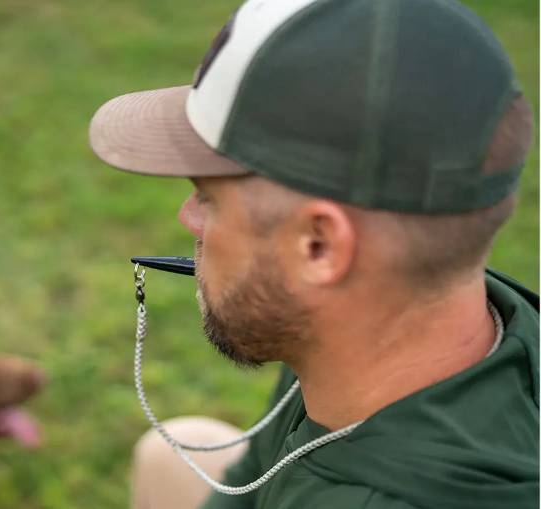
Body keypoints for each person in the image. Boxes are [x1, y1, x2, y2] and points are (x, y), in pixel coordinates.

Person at [88, 0, 540, 508]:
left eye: (209, 198)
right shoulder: (367, 329)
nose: (187, 217)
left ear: (319, 247)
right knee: (167, 454)